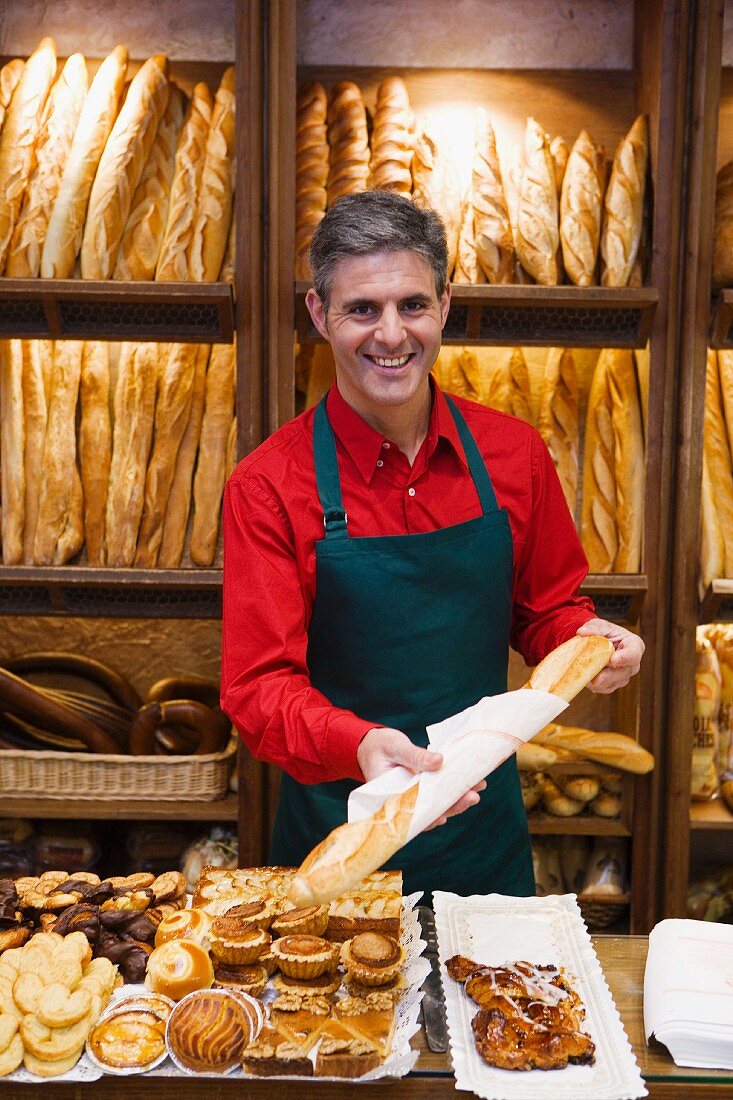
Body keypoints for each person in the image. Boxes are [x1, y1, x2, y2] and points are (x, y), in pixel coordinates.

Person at [221, 190, 644, 898]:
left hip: (484, 841)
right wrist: (358, 745)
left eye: (411, 305)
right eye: (362, 310)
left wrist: (589, 639)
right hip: (343, 840)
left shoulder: (513, 454)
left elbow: (544, 611)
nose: (391, 334)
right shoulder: (267, 484)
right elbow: (256, 688)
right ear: (318, 314)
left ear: (444, 304)